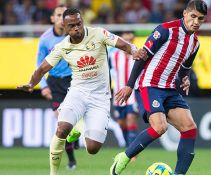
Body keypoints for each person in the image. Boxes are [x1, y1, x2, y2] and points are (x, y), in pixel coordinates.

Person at [17, 8, 146, 175]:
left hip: (100, 98)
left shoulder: (98, 34)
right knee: (61, 128)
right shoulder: (62, 47)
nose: (76, 28)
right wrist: (31, 84)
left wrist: (134, 50)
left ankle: (76, 132)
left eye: (79, 23)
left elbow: (123, 44)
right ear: (64, 27)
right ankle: (53, 173)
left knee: (92, 148)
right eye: (71, 25)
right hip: (77, 93)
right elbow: (41, 69)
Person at [110, 1, 207, 175]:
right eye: (193, 16)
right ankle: (122, 159)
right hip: (150, 84)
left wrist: (185, 79)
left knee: (189, 128)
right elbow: (142, 56)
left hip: (170, 89)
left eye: (200, 19)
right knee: (160, 127)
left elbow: (185, 67)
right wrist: (129, 85)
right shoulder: (165, 30)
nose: (196, 22)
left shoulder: (195, 43)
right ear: (185, 13)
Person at [36, 5, 78, 170]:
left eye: (65, 15)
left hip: (73, 80)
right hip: (54, 83)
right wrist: (43, 85)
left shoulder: (75, 35)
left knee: (74, 120)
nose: (62, 18)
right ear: (53, 18)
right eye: (59, 15)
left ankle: (76, 137)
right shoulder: (45, 39)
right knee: (62, 123)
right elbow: (39, 64)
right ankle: (72, 160)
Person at [108, 31, 139, 149]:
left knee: (131, 119)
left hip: (134, 94)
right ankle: (128, 148)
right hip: (118, 94)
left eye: (130, 40)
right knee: (121, 123)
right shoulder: (113, 55)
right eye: (126, 40)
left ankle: (133, 152)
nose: (128, 42)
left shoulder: (138, 55)